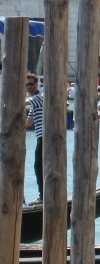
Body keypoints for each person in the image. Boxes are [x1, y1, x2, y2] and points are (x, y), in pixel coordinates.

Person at [25, 74, 44, 205]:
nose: (29, 86)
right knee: (39, 166)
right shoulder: (34, 102)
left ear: (36, 85)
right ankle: (43, 195)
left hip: (44, 136)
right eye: (27, 84)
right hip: (40, 136)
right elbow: (28, 122)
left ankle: (42, 196)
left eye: (31, 84)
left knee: (39, 166)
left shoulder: (39, 97)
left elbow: (22, 102)